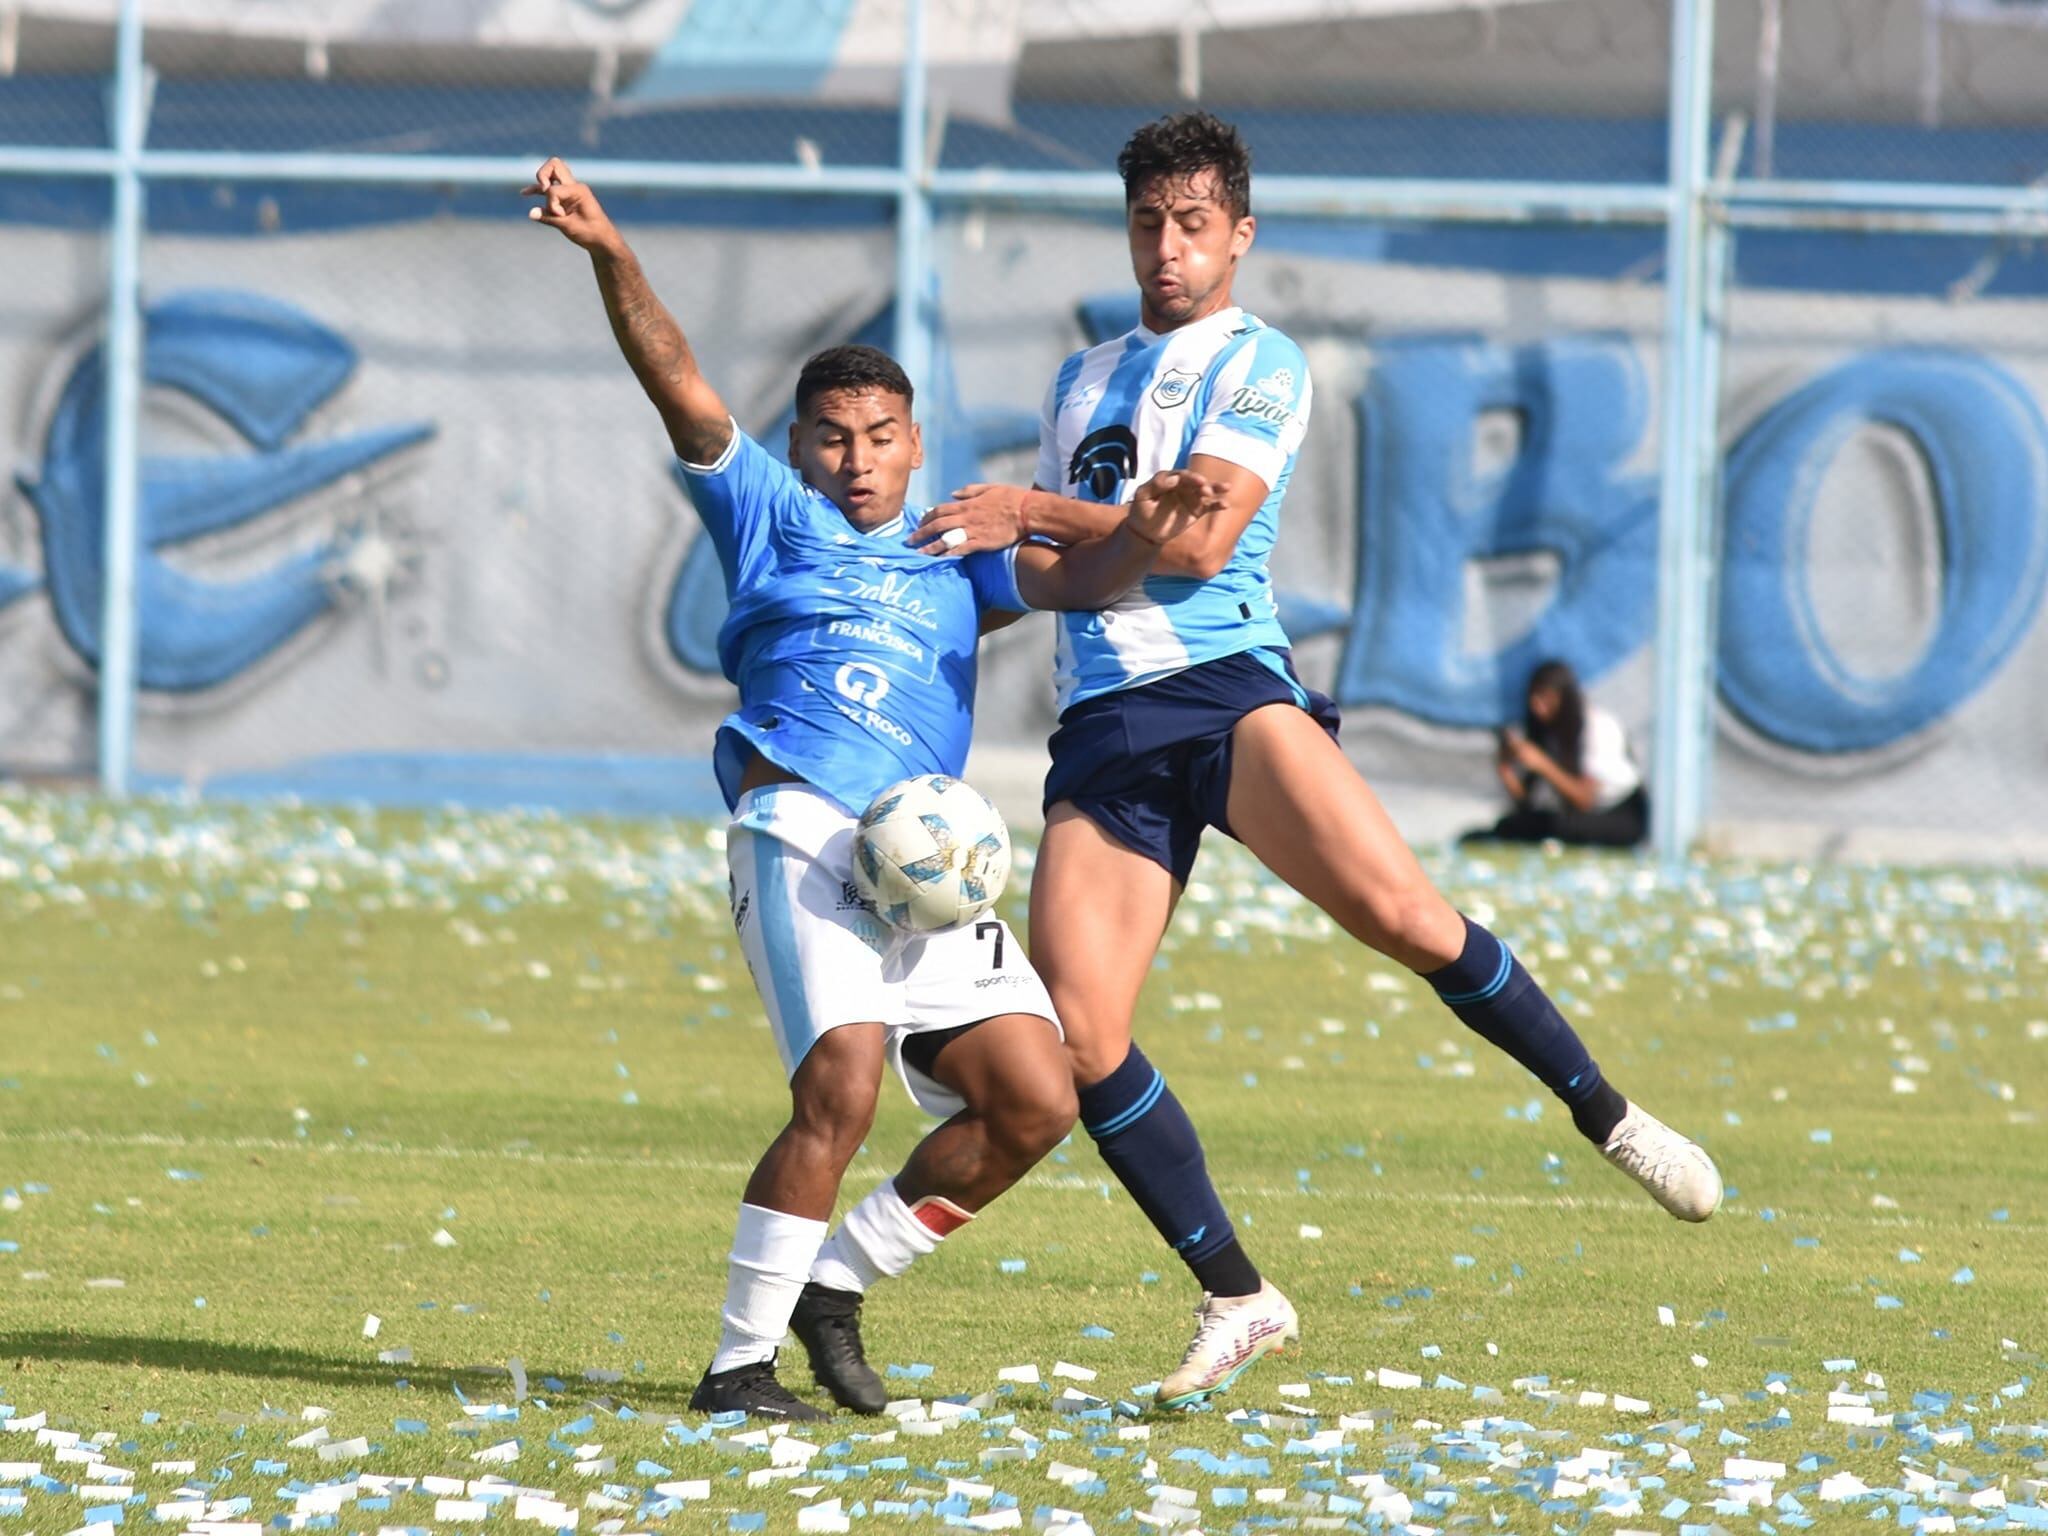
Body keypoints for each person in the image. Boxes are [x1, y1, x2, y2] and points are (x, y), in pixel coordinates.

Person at [908, 111, 1723, 1407]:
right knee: (1079, 1035)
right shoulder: (1082, 382)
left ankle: (1609, 1115)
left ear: (1240, 233)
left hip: (1227, 694)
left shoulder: (1261, 364)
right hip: (1107, 724)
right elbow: (1074, 572)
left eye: (1191, 225)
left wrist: (1032, 507)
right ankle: (1237, 1295)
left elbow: (1194, 545)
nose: (1167, 250)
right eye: (1145, 224)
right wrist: (976, 571)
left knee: (1408, 916)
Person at [526, 157, 1222, 1420]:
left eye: (881, 437)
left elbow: (1087, 578)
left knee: (1035, 1093)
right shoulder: (767, 514)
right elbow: (674, 375)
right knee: (839, 1084)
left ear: (915, 447)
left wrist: (1145, 523)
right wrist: (608, 252)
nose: (858, 459)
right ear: (798, 448)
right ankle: (738, 1368)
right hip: (801, 829)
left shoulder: (957, 550)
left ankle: (832, 1288)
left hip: (925, 864)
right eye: (834, 438)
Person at [1467, 660, 1650, 849]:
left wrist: (1543, 764)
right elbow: (1527, 804)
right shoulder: (1550, 732)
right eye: (1533, 698)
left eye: (1545, 698)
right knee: (1518, 824)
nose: (1537, 707)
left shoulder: (1598, 728)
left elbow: (1585, 800)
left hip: (1622, 814)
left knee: (1559, 827)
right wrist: (1506, 769)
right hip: (1579, 817)